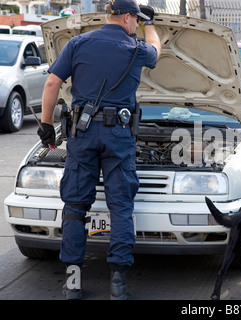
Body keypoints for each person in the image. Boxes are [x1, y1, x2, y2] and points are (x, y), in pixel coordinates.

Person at [37, 0, 161, 299]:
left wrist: (44, 124)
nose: (135, 25)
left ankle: (73, 283)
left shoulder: (78, 42)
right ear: (129, 18)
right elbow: (156, 50)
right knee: (120, 207)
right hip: (118, 135)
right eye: (136, 20)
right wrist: (150, 25)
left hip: (82, 133)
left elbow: (53, 82)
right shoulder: (135, 48)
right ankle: (118, 286)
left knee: (75, 208)